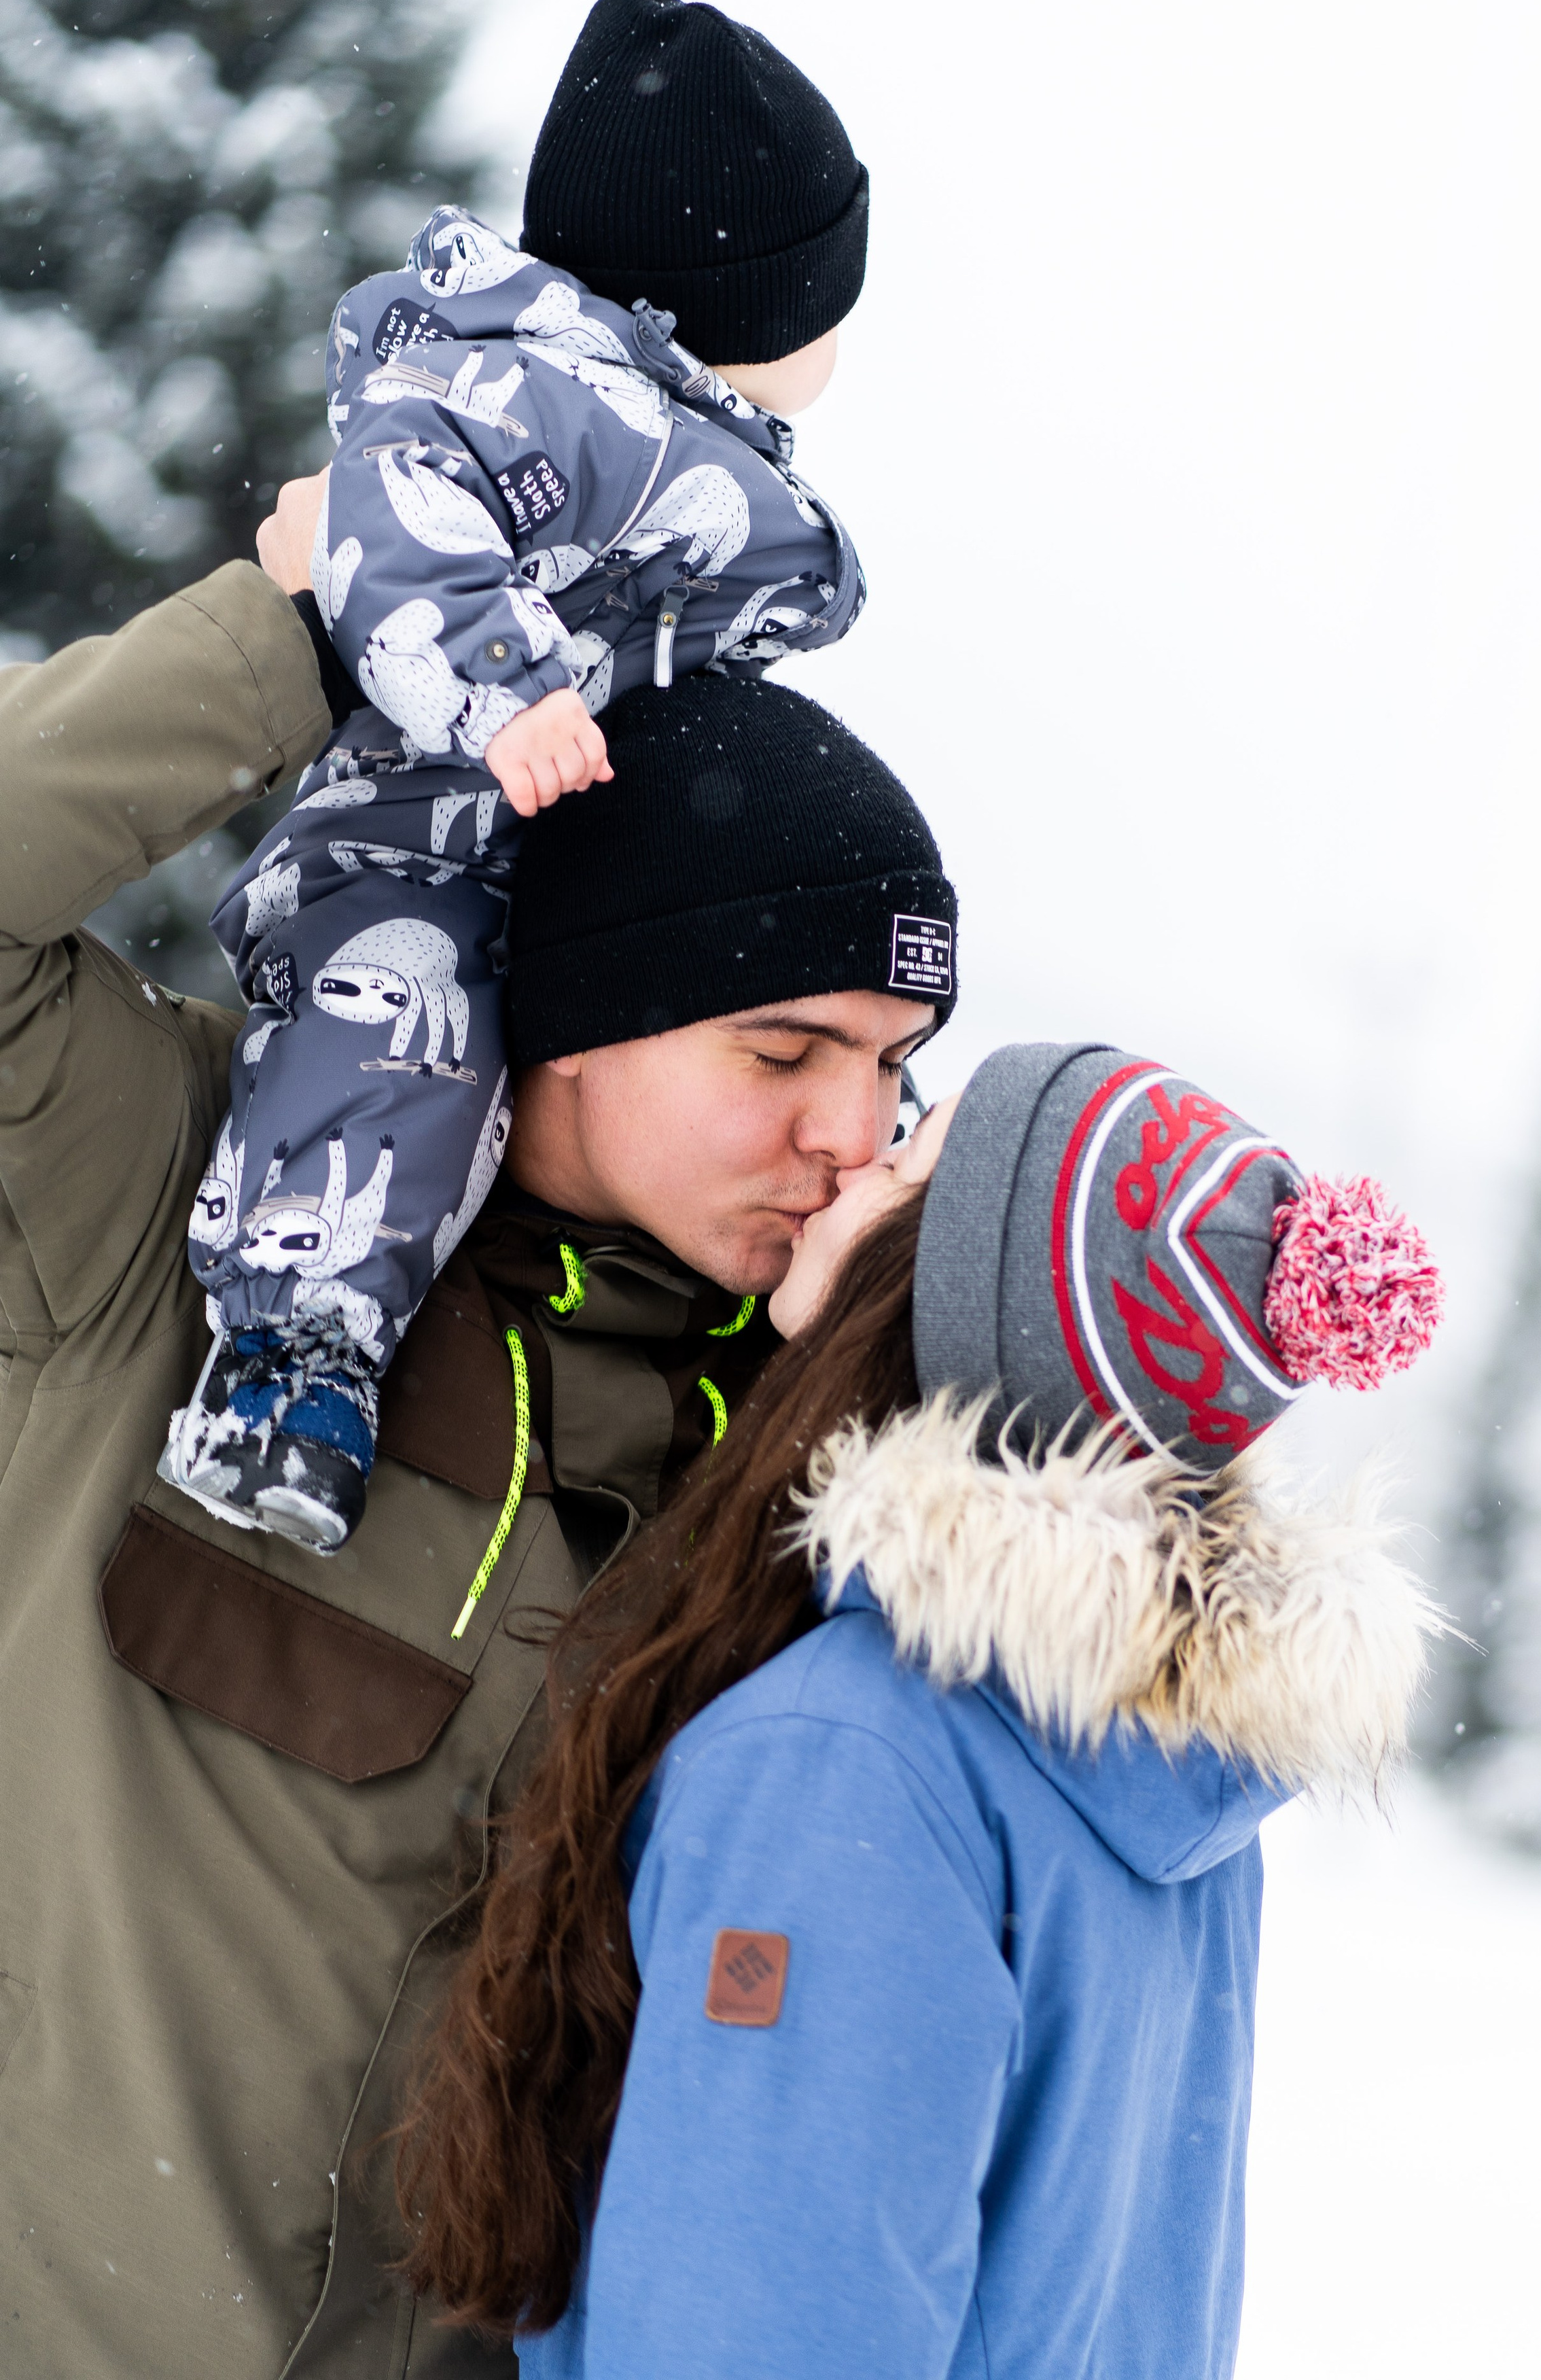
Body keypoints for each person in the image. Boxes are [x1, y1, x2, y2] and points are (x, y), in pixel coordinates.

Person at [0, 530, 951, 2377]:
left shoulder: (803, 1447)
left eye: (899, 1066)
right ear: (578, 1015)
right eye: (787, 1054)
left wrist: (869, 1355)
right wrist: (298, 632)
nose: (861, 1130)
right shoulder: (172, 1192)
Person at [395, 1045, 1445, 2377]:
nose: (850, 1159)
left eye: (901, 1161)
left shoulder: (843, 1763)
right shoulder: (1166, 1753)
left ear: (962, 1295)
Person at [162, 0, 876, 1552]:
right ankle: (296, 1365)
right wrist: (499, 685)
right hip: (416, 836)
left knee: (673, 1071)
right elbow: (387, 512)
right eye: (829, 297)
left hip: (558, 853)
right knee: (390, 1072)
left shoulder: (677, 435)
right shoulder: (516, 386)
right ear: (752, 297)